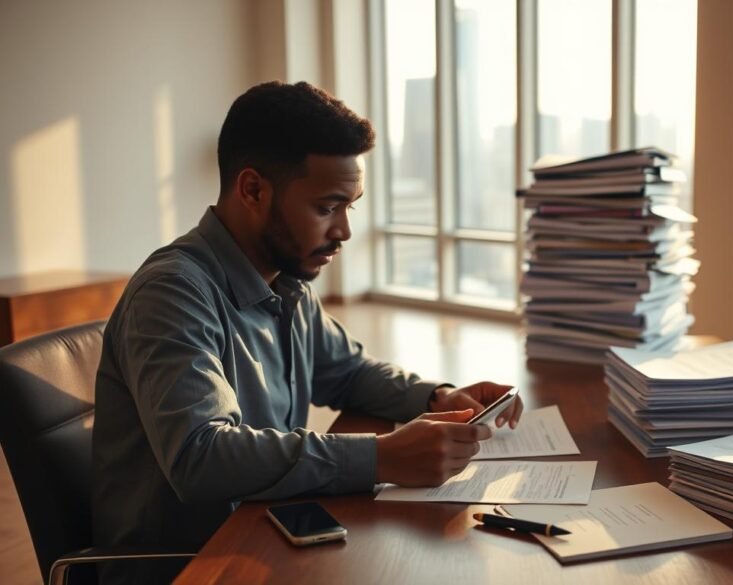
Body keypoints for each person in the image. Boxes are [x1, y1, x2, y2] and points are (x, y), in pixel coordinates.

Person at [91, 81, 522, 583]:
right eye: (327, 207)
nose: (344, 231)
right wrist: (381, 457)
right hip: (192, 566)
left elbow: (348, 372)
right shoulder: (171, 292)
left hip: (266, 533)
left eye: (350, 206)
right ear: (253, 190)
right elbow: (201, 456)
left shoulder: (287, 281)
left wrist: (436, 398)